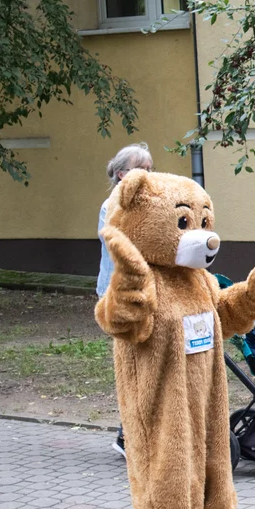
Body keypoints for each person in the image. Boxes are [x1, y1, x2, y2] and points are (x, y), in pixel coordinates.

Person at [97, 143, 153, 460]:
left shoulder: (143, 204)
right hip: (120, 299)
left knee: (145, 366)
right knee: (133, 368)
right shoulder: (113, 207)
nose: (148, 174)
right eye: (141, 168)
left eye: (150, 168)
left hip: (141, 296)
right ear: (122, 174)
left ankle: (134, 434)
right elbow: (124, 254)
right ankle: (126, 436)